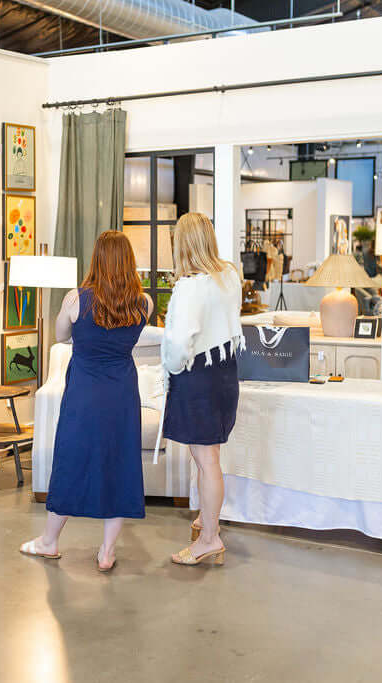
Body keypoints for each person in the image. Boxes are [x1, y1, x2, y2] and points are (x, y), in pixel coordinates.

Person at [20, 231, 153, 572]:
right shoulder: (145, 303)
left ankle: (49, 542)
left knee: (71, 462)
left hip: (84, 393)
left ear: (97, 259)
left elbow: (61, 336)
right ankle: (106, 553)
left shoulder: (76, 299)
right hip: (122, 393)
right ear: (128, 262)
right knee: (120, 466)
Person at [161, 213, 243, 567]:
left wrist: (172, 368)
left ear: (183, 244)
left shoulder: (190, 286)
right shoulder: (229, 276)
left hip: (198, 376)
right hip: (225, 373)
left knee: (206, 459)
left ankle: (210, 538)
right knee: (208, 456)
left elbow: (180, 345)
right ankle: (205, 521)